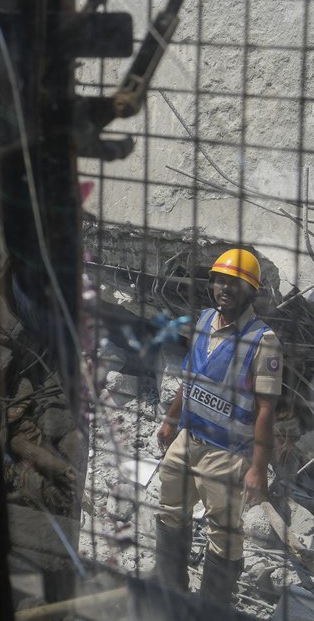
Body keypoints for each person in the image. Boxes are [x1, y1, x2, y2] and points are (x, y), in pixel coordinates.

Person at [154, 248, 281, 600]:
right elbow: (190, 377)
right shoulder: (205, 320)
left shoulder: (263, 341)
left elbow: (265, 410)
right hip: (188, 440)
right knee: (170, 511)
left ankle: (213, 608)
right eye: (220, 281)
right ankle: (170, 591)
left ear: (251, 291)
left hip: (226, 455)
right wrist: (170, 421)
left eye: (235, 284)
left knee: (223, 537)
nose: (224, 289)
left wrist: (258, 468)